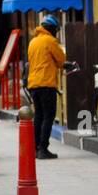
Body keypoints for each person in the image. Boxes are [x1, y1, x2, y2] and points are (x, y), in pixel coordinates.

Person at [27, 14, 71, 160]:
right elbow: (61, 59)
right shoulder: (50, 40)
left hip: (33, 84)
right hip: (46, 83)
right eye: (56, 30)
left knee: (38, 116)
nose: (56, 33)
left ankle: (34, 148)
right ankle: (43, 148)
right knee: (48, 116)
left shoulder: (33, 42)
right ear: (52, 28)